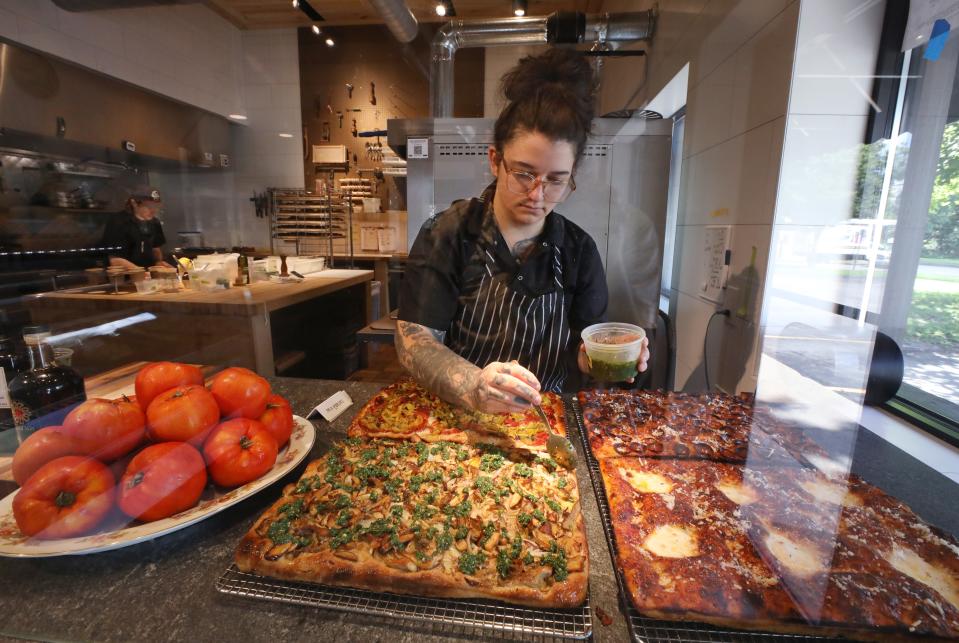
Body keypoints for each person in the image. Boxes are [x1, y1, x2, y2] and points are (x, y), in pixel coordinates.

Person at [396, 48, 649, 414]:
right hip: (458, 422)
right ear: (496, 160)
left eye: (555, 181)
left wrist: (611, 357)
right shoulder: (449, 234)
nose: (537, 195)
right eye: (524, 173)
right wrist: (473, 385)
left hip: (545, 427)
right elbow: (413, 342)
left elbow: (582, 352)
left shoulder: (579, 251)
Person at [102, 187, 172, 269]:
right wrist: (142, 273)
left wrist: (159, 263)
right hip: (124, 278)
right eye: (149, 207)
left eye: (156, 207)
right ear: (134, 203)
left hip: (148, 277)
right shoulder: (118, 221)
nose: (154, 211)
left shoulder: (154, 222)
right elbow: (115, 259)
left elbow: (155, 248)